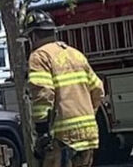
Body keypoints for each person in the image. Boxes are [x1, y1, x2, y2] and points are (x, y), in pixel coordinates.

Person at [24, 10, 104, 167]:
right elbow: (98, 90)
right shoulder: (76, 54)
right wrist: (88, 115)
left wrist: (42, 132)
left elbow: (43, 94)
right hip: (88, 135)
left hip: (62, 138)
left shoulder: (39, 56)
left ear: (32, 36)